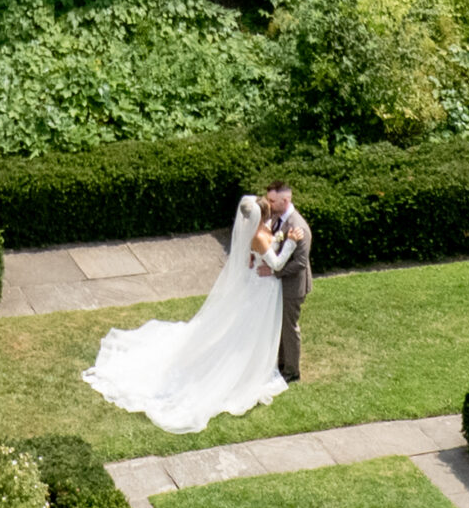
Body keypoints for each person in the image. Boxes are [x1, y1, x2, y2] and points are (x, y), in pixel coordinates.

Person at [81, 189, 291, 434]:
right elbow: (276, 263)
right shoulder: (259, 237)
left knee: (247, 329)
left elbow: (254, 256)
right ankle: (248, 369)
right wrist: (291, 243)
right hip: (261, 289)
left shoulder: (254, 234)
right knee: (251, 331)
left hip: (255, 285)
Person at [255, 181, 312, 382]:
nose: (269, 205)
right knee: (279, 325)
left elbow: (301, 263)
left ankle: (292, 371)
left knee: (289, 327)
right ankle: (280, 362)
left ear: (285, 200)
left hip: (293, 287)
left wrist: (273, 271)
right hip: (280, 285)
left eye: (272, 201)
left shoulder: (298, 227)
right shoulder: (277, 219)